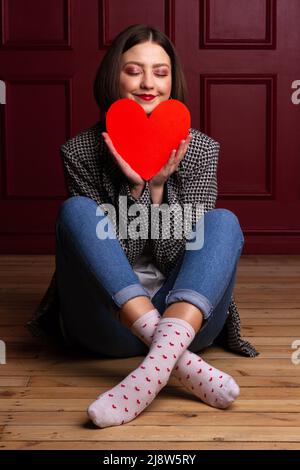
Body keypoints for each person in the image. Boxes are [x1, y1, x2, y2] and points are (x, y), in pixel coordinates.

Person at [27, 24, 259, 429]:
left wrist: (158, 189)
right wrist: (135, 189)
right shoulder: (80, 152)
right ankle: (169, 359)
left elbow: (175, 259)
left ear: (173, 81)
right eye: (134, 71)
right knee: (77, 211)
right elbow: (114, 258)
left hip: (189, 319)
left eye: (161, 72)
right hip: (107, 324)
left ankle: (153, 366)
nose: (148, 83)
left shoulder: (201, 150)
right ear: (114, 76)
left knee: (223, 222)